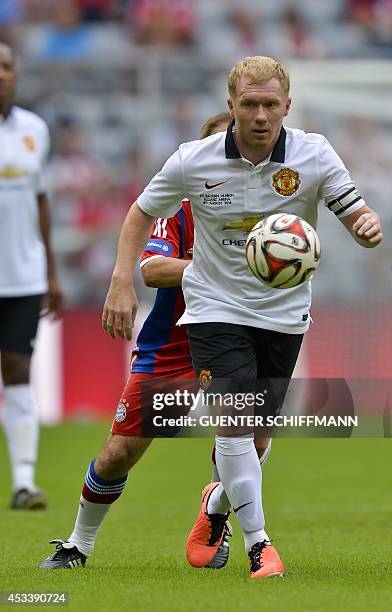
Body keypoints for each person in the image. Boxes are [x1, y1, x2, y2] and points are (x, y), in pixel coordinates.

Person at [99, 55, 383, 579]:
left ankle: (215, 508)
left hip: (283, 312)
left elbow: (352, 207)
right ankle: (260, 546)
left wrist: (364, 223)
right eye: (248, 104)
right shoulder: (193, 159)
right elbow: (141, 211)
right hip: (213, 307)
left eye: (270, 104)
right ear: (230, 106)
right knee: (233, 425)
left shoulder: (314, 154)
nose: (259, 115)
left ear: (287, 107)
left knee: (255, 437)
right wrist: (121, 279)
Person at [39, 112, 269, 569]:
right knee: (120, 452)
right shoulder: (179, 209)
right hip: (175, 346)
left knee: (253, 444)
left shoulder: (264, 212)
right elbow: (152, 269)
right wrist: (217, 268)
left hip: (240, 339)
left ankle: (217, 510)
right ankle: (78, 544)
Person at [0, 43, 63, 509]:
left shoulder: (34, 130)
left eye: (5, 66)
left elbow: (41, 200)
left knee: (18, 369)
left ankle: (24, 482)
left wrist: (51, 272)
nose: (0, 74)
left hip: (22, 276)